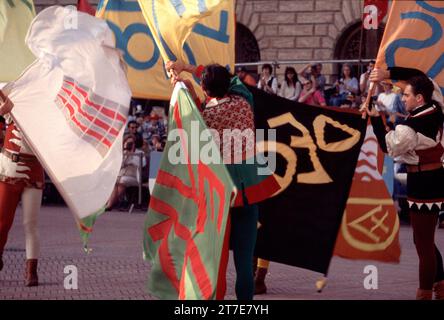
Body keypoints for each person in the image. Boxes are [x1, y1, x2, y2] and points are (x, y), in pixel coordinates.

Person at [166, 61, 277, 300]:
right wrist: (187, 68)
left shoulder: (206, 116)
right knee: (245, 262)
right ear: (229, 83)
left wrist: (183, 86)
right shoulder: (244, 102)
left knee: (213, 259)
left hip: (218, 196)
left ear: (205, 90)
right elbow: (234, 80)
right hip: (248, 191)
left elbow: (189, 117)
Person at [362, 66, 444, 300]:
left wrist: (376, 119)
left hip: (424, 181)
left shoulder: (410, 128)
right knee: (424, 239)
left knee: (423, 244)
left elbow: (388, 147)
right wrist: (386, 74)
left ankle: (424, 293)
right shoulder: (435, 104)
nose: (402, 97)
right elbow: (419, 75)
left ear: (419, 98)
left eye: (406, 94)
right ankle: (439, 284)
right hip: (433, 177)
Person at [0, 89, 44, 287]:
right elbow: (4, 106)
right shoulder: (12, 102)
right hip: (9, 169)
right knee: (2, 221)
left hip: (33, 171)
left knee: (30, 223)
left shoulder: (47, 115)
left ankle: (31, 271)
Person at [106, 134, 146, 211]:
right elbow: (119, 166)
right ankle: (110, 204)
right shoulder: (122, 153)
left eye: (132, 143)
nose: (130, 144)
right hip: (121, 175)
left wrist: (131, 155)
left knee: (122, 181)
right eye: (128, 143)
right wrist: (125, 155)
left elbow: (142, 163)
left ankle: (109, 204)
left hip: (134, 176)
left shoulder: (140, 153)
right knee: (116, 182)